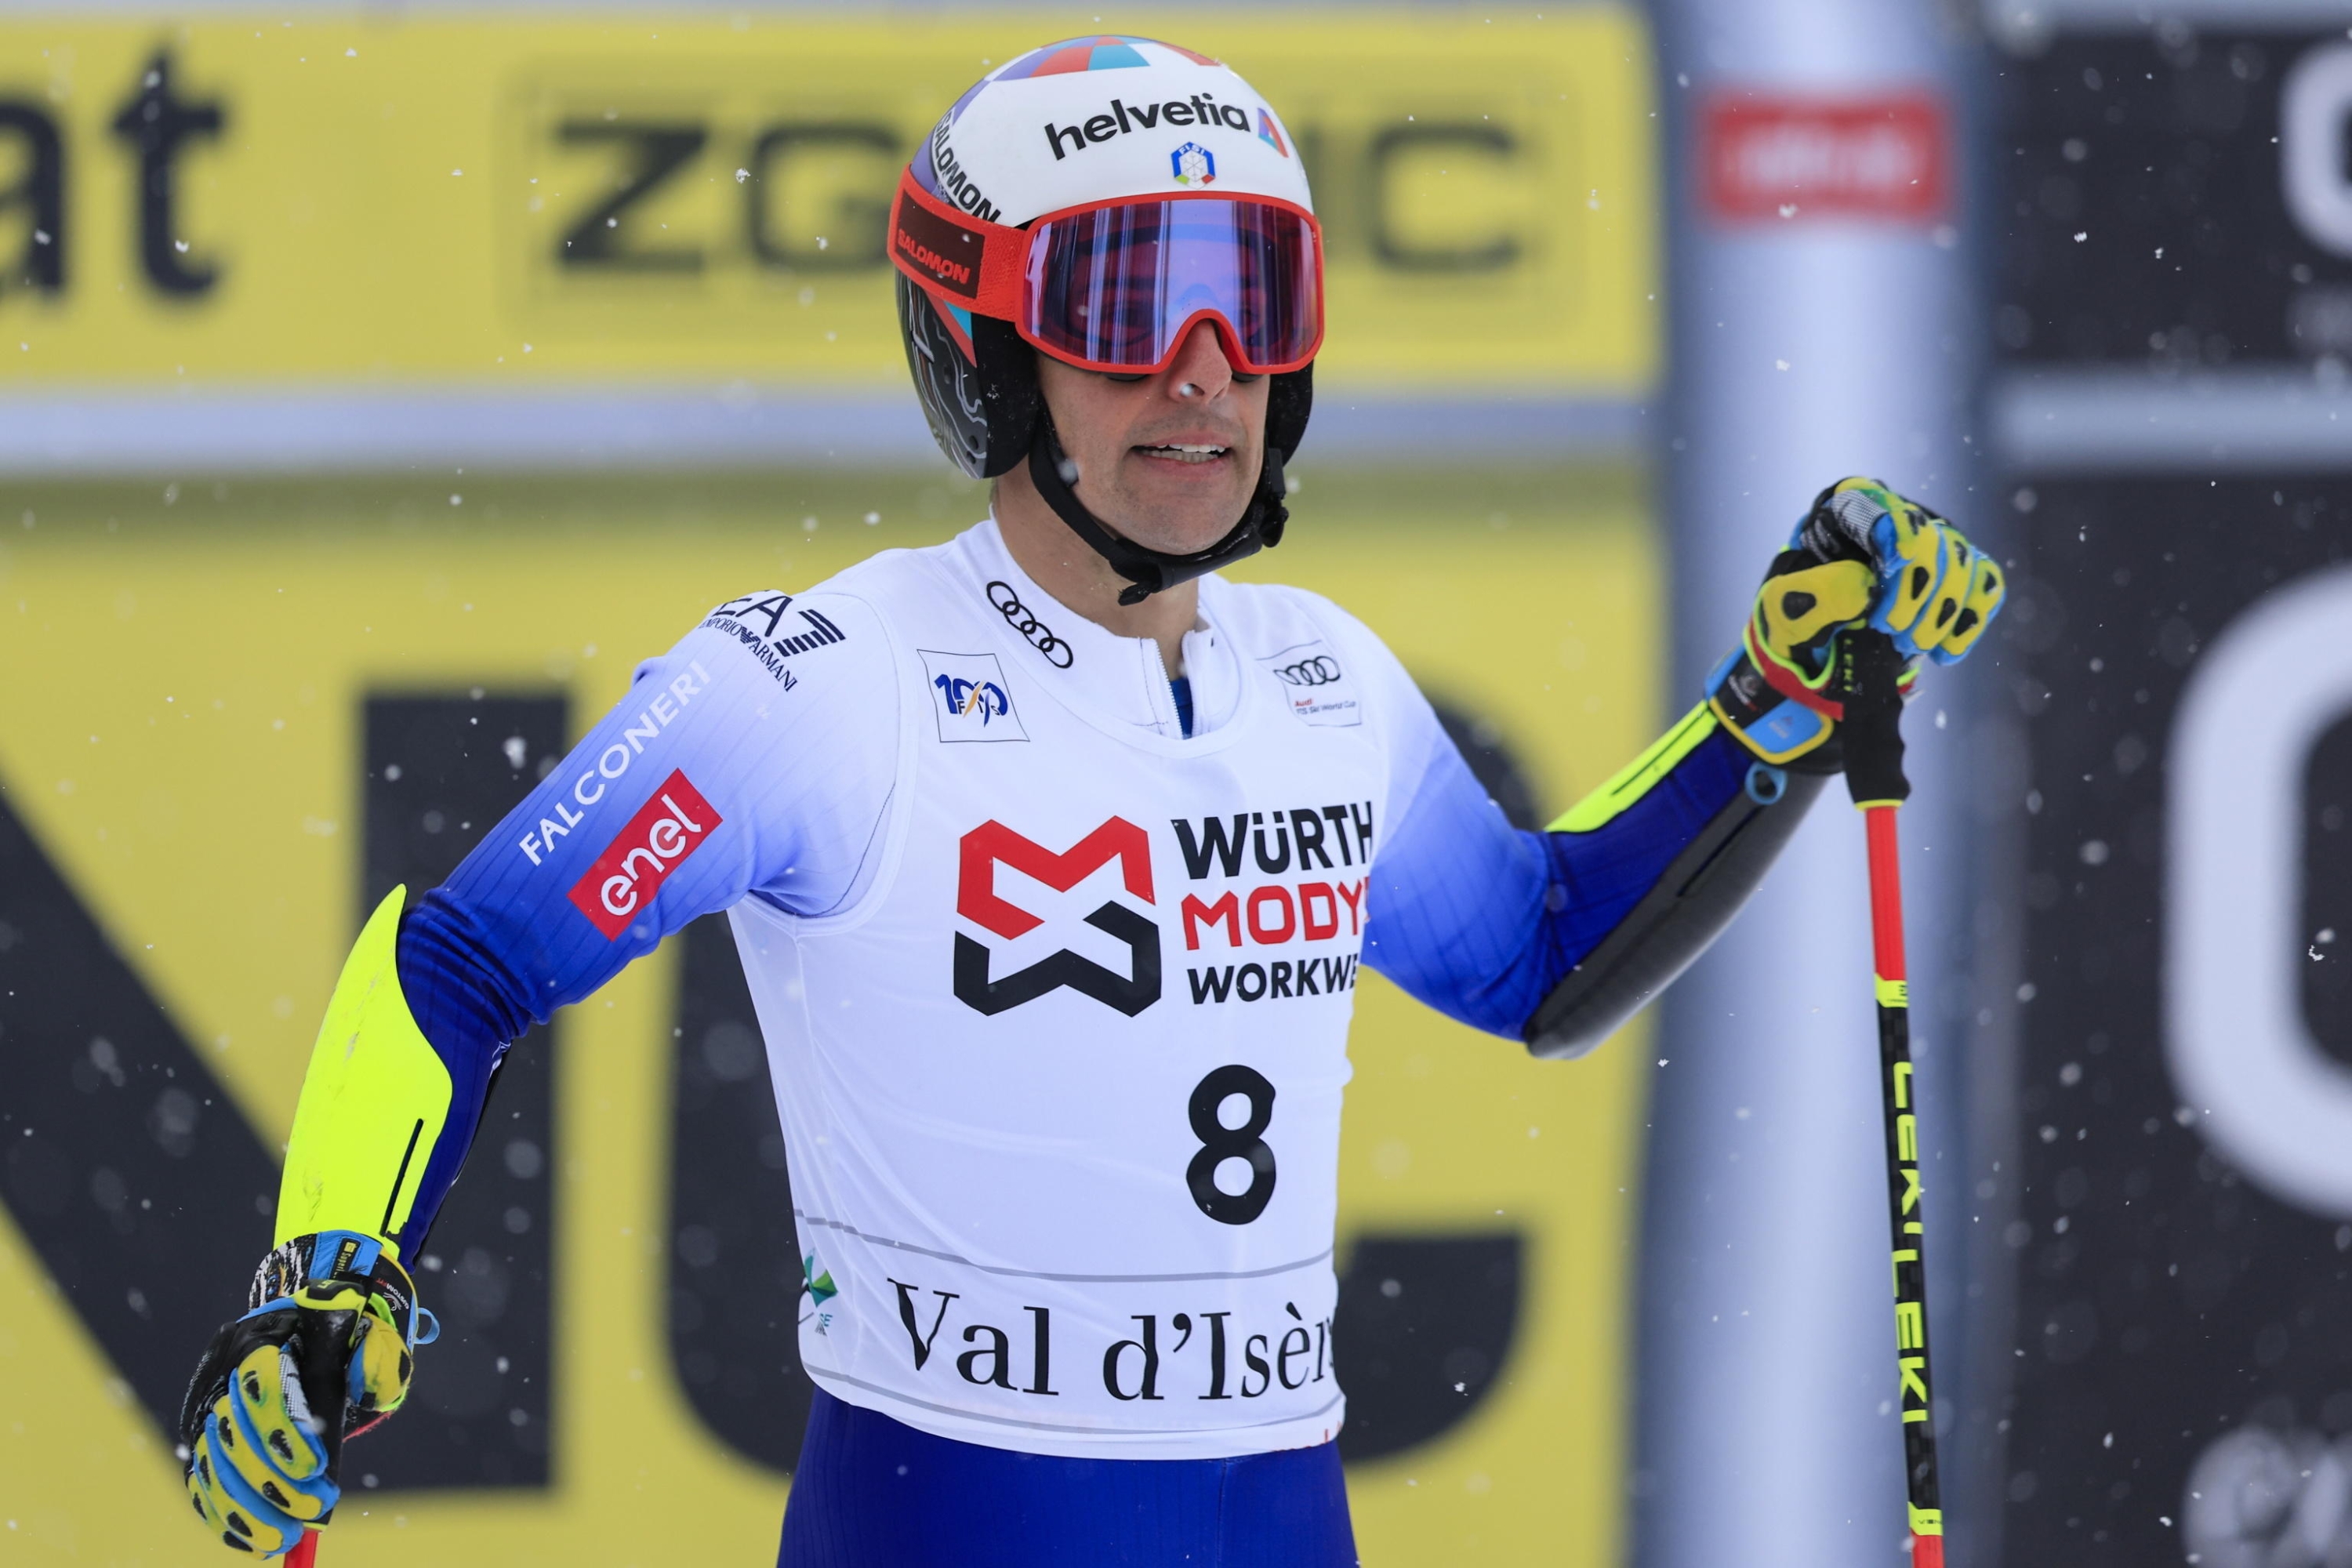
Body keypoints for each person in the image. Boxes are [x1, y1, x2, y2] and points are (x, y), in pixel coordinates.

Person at [175, 34, 2005, 1567]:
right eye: (1131, 307)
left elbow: (1534, 955)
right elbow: (461, 963)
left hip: (1279, 1509)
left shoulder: (1325, 681)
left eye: (1254, 302)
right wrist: (327, 1270)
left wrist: (1776, 700)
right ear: (988, 356)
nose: (1204, 375)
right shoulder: (823, 683)